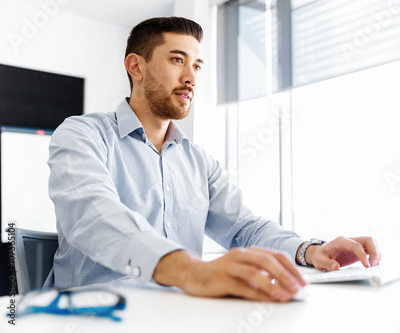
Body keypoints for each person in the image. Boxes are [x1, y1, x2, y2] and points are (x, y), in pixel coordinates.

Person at [47, 16, 381, 302]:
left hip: (177, 313)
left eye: (196, 65)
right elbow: (91, 214)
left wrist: (309, 251)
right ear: (136, 66)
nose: (191, 77)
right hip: (89, 314)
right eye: (177, 60)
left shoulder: (198, 161)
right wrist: (190, 271)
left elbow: (244, 227)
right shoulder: (82, 134)